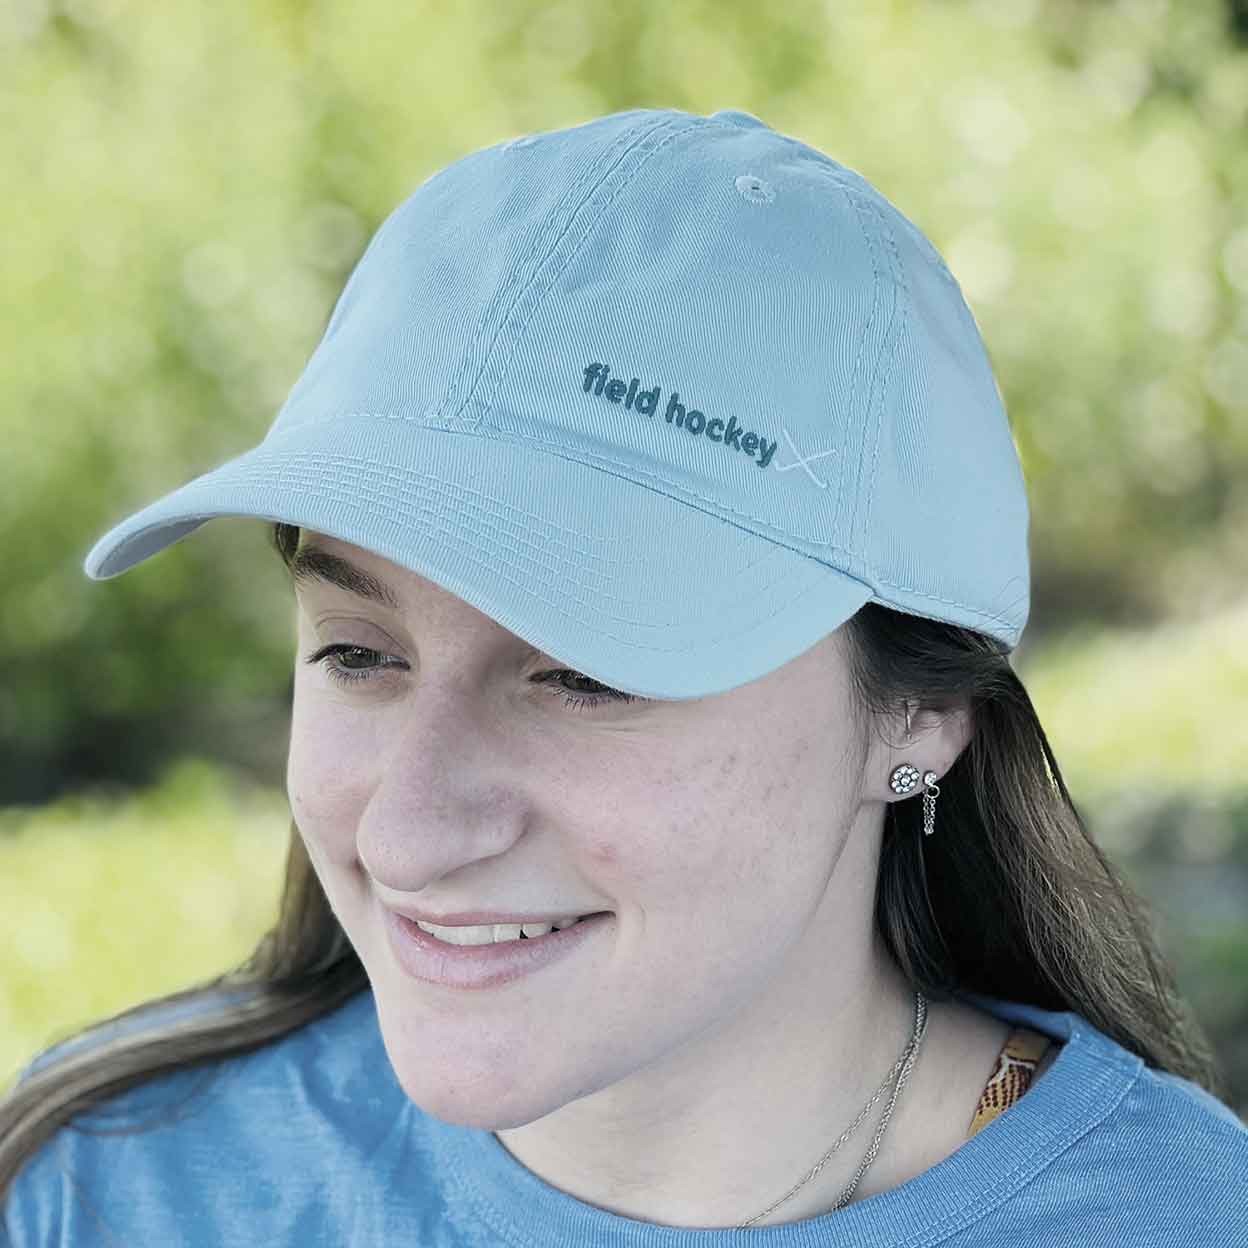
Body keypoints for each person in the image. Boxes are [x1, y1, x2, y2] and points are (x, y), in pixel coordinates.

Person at [2, 106, 1245, 1245]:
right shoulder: (106, 1191)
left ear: (918, 715)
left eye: (587, 674)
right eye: (359, 653)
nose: (412, 829)